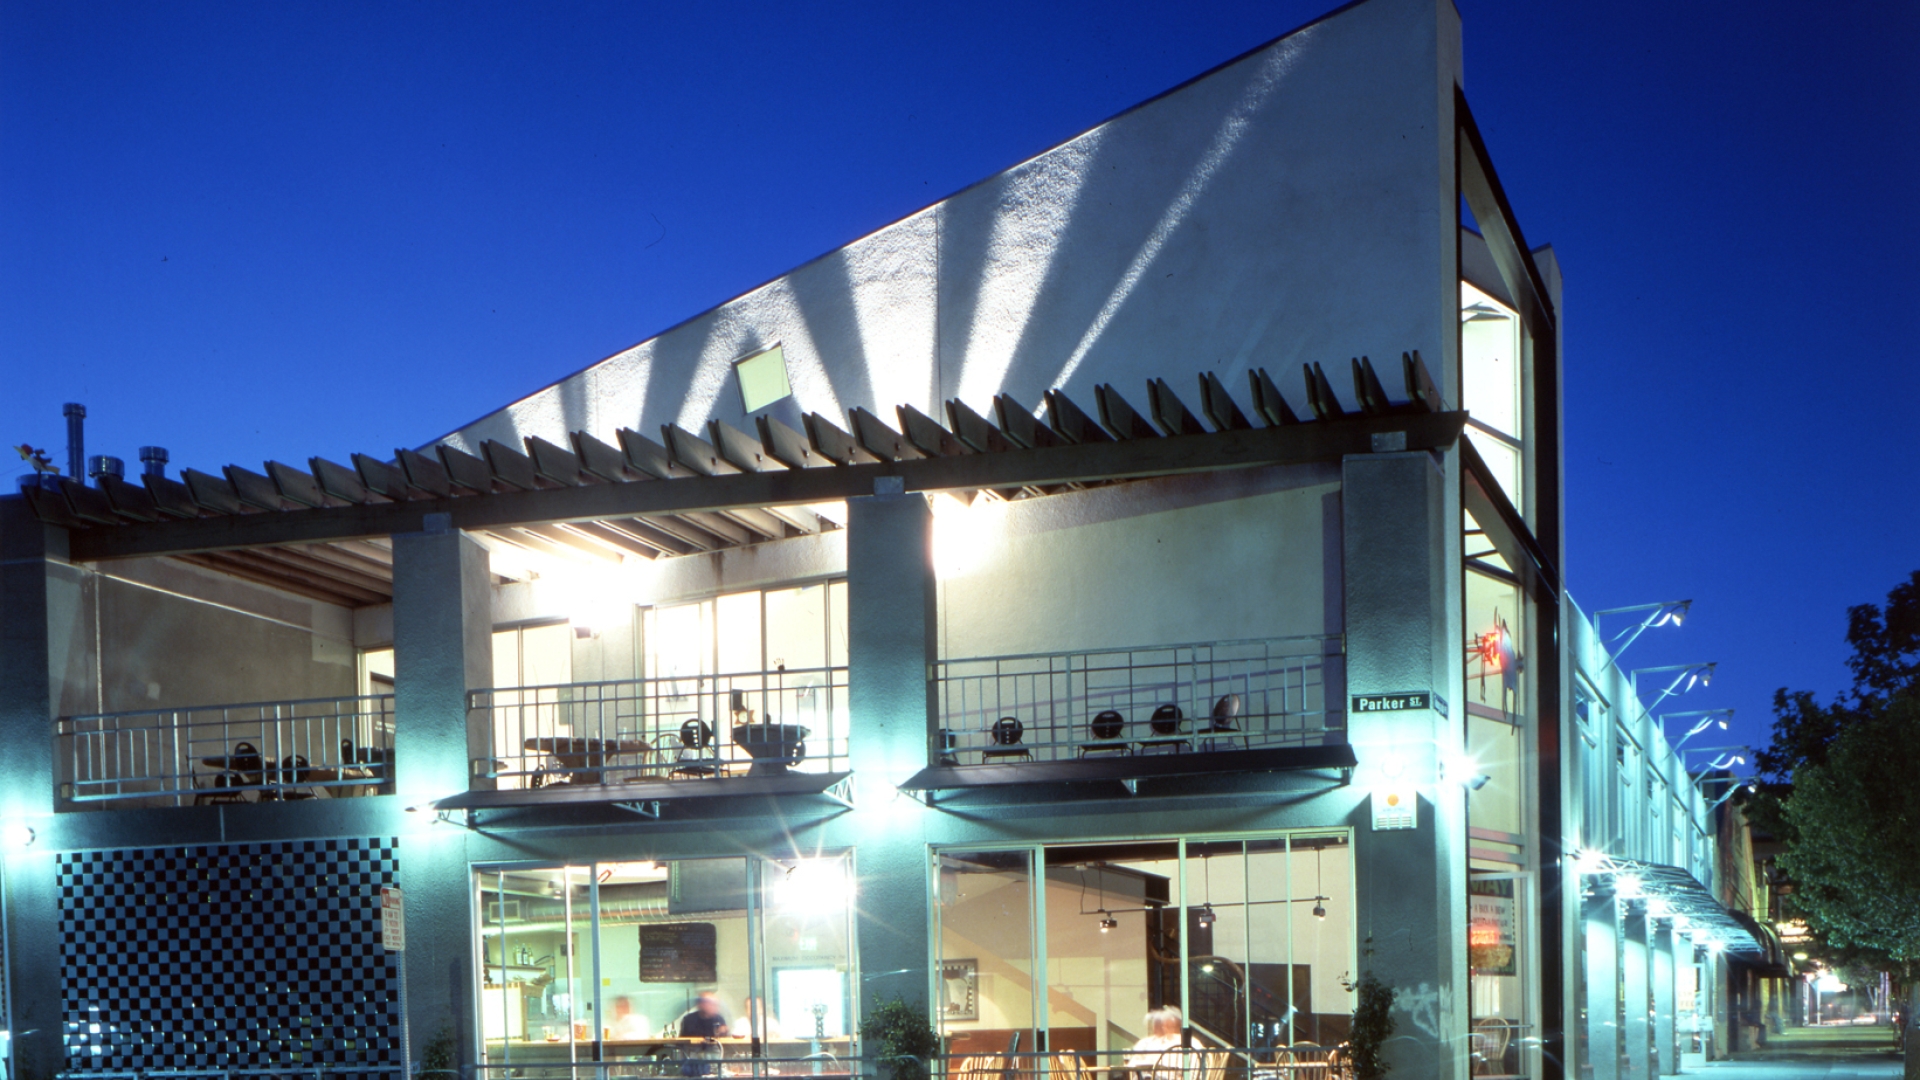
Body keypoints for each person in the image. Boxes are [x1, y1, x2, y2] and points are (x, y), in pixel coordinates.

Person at [678, 993, 730, 1077]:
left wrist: (724, 1032)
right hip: (693, 1061)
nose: (714, 1006)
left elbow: (725, 1042)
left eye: (715, 1004)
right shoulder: (689, 1019)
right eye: (711, 1003)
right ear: (701, 1004)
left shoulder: (718, 1018)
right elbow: (683, 1041)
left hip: (714, 1058)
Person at [1124, 1006, 1184, 1072]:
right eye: (1155, 1025)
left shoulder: (1185, 1042)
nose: (1163, 1028)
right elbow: (1134, 1063)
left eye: (1168, 1026)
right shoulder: (1151, 1042)